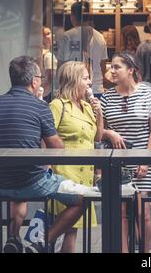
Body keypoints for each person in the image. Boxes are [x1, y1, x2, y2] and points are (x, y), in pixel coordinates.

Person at [0, 56, 83, 253]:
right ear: (34, 81)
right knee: (80, 201)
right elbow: (57, 147)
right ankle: (42, 243)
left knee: (19, 190)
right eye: (40, 77)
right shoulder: (40, 107)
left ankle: (13, 238)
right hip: (31, 182)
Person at [100, 52, 151, 253]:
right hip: (117, 162)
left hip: (142, 160)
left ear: (131, 70)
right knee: (121, 212)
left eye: (117, 67)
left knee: (142, 211)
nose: (112, 71)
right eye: (111, 67)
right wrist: (109, 133)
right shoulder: (107, 97)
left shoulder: (148, 93)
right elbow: (98, 131)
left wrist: (145, 159)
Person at [49, 61, 103, 253]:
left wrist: (99, 114)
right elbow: (46, 137)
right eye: (85, 78)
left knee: (72, 230)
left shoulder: (86, 106)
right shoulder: (57, 105)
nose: (89, 83)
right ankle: (41, 243)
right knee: (66, 227)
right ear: (73, 80)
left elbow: (97, 136)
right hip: (65, 173)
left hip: (84, 174)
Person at [57, 1, 108, 97]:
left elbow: (61, 65)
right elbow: (103, 66)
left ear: (72, 16)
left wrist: (59, 87)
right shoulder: (100, 37)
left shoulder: (68, 36)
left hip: (73, 90)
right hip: (96, 89)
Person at [40, 26, 58, 102]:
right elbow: (51, 79)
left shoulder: (40, 53)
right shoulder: (48, 56)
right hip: (47, 95)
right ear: (41, 38)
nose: (53, 35)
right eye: (48, 34)